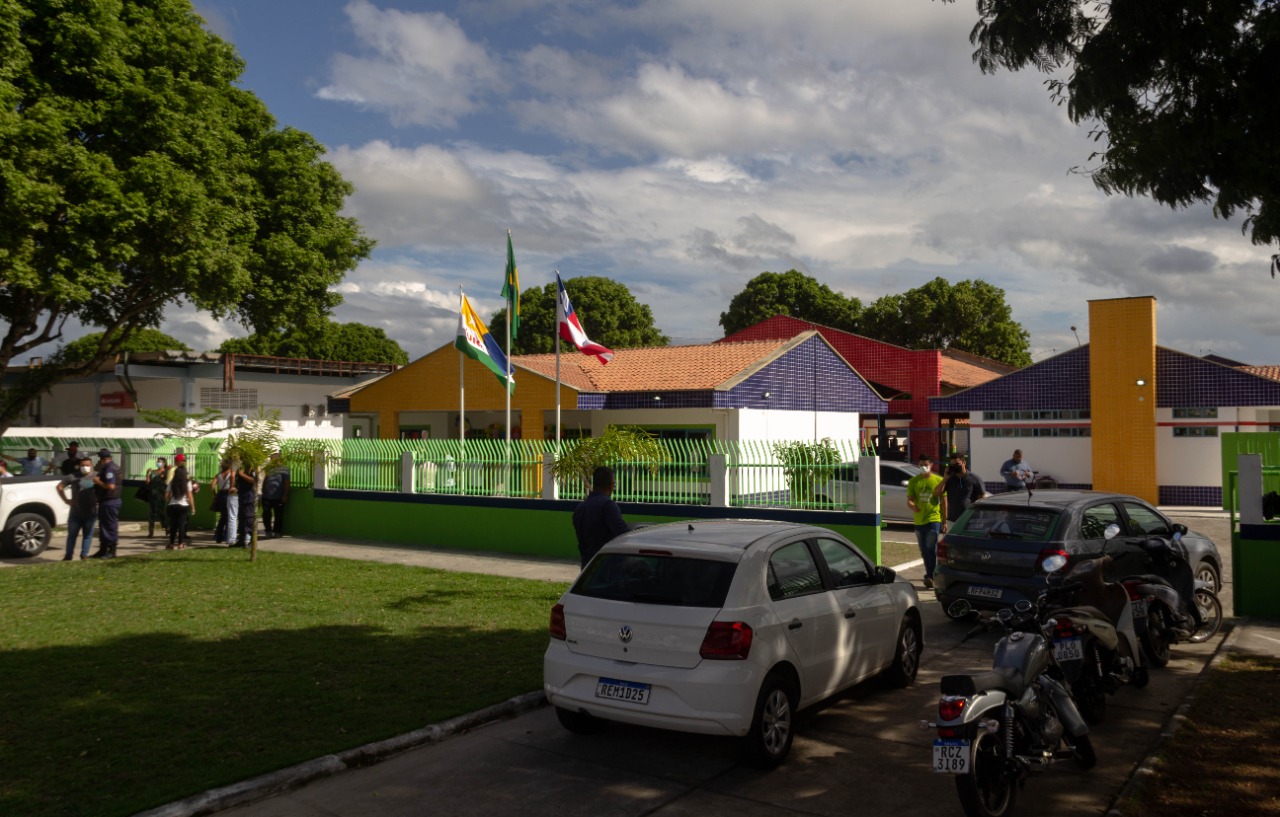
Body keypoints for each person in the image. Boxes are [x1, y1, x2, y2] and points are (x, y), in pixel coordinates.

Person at [572, 466, 629, 568]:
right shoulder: (608, 505)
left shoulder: (581, 508)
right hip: (606, 566)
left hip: (587, 566)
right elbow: (622, 534)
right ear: (611, 485)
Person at [906, 453, 946, 589]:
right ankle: (931, 574)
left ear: (931, 465)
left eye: (926, 465)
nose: (923, 467)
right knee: (924, 550)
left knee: (931, 548)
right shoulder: (914, 481)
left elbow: (943, 501)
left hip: (933, 519)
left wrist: (944, 520)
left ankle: (931, 576)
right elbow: (910, 499)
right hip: (919, 521)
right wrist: (912, 505)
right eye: (921, 465)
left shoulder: (937, 480)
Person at [934, 452, 988, 532]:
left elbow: (982, 498)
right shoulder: (950, 479)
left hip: (969, 520)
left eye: (957, 464)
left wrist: (978, 517)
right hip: (952, 520)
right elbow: (936, 493)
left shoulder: (974, 478)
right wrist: (945, 478)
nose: (955, 466)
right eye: (952, 464)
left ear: (964, 463)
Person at [57, 456, 98, 560]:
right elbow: (59, 487)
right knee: (72, 535)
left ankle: (84, 554)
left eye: (87, 465)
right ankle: (68, 555)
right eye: (83, 465)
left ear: (91, 465)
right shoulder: (72, 476)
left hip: (91, 512)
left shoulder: (97, 476)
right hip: (75, 512)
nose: (85, 467)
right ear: (79, 466)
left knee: (87, 535)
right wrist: (66, 500)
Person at [91, 449, 122, 559]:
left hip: (110, 501)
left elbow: (111, 486)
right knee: (104, 526)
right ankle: (103, 549)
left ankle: (111, 551)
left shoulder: (109, 469)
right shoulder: (113, 467)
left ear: (102, 459)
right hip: (108, 501)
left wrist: (97, 481)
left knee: (110, 526)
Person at [165, 465, 197, 549]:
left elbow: (166, 495)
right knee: (182, 525)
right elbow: (190, 496)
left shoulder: (172, 482)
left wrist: (169, 501)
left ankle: (171, 543)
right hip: (183, 505)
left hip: (173, 505)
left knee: (173, 525)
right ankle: (180, 543)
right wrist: (193, 508)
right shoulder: (187, 482)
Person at [261, 452, 290, 539]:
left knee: (278, 515)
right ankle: (268, 530)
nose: (271, 462)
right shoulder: (269, 468)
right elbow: (266, 478)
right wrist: (263, 488)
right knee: (266, 514)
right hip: (267, 496)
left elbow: (287, 483)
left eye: (272, 460)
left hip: (278, 496)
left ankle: (277, 531)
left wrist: (285, 495)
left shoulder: (284, 470)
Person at [212, 460, 239, 544]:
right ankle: (227, 536)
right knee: (228, 516)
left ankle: (218, 536)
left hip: (220, 493)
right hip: (227, 494)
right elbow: (233, 481)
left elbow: (212, 485)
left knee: (223, 516)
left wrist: (214, 494)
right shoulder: (231, 474)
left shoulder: (219, 474)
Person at [145, 457, 170, 538]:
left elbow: (166, 478)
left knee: (161, 514)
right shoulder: (153, 472)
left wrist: (167, 470)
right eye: (157, 461)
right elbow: (147, 482)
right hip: (152, 496)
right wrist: (147, 473)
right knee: (151, 514)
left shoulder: (165, 472)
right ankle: (150, 532)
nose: (158, 463)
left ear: (164, 463)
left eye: (159, 462)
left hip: (161, 496)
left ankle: (166, 529)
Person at [233, 463, 257, 547]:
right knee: (241, 518)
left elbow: (253, 480)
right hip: (241, 495)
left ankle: (252, 541)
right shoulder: (239, 467)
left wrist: (242, 475)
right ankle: (241, 540)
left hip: (249, 496)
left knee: (249, 518)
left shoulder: (250, 467)